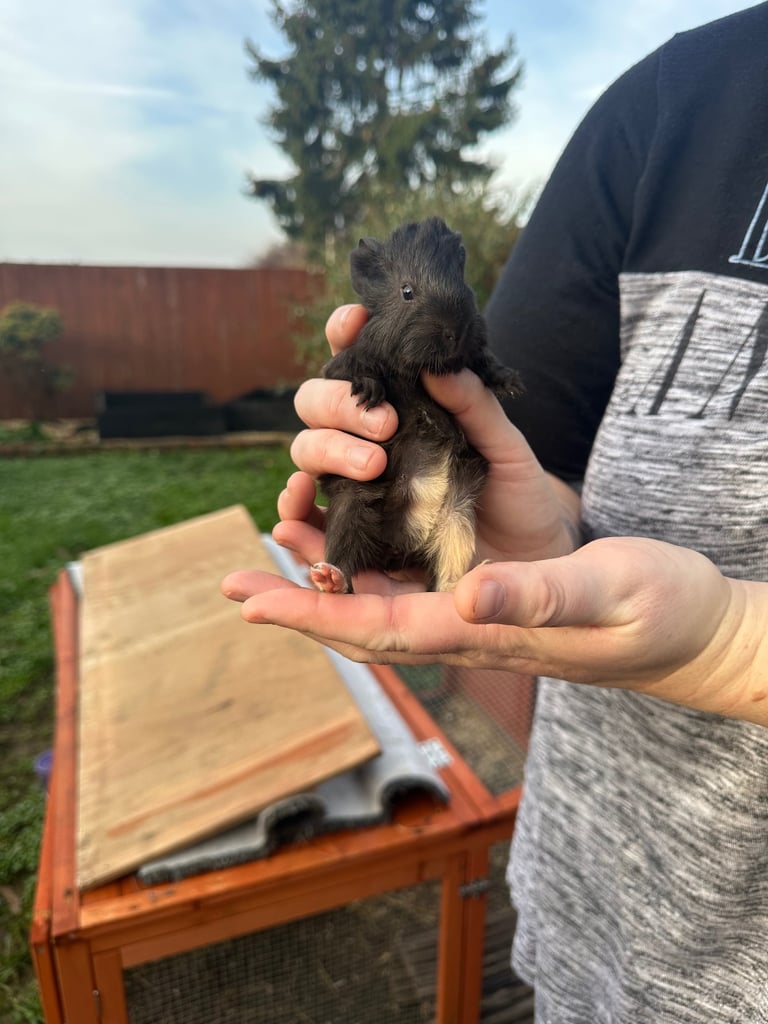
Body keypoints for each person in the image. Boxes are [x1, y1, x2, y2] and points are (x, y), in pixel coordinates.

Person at [223, 4, 768, 1020]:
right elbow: (535, 459)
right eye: (416, 301)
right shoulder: (681, 98)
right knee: (361, 509)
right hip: (591, 917)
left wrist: (731, 641)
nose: (444, 318)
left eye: (452, 300)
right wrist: (540, 545)